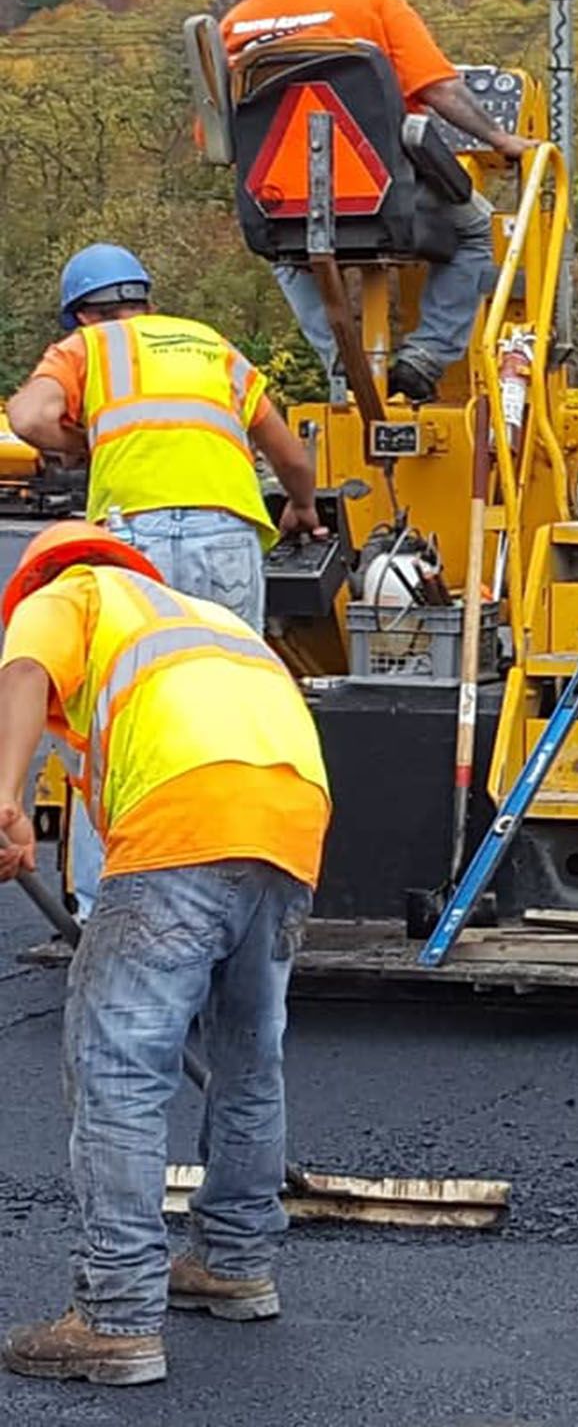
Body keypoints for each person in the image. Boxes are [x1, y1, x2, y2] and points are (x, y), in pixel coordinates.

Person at [0, 522, 331, 1388]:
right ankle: (233, 1261)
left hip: (188, 814)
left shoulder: (67, 592)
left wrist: (2, 800)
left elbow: (26, 675)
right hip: (291, 818)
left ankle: (114, 1316)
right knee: (249, 1058)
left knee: (119, 1069)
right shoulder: (206, 621)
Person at [6, 245, 323, 913]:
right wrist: (300, 506)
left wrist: (84, 443)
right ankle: (237, 896)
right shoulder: (212, 347)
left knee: (114, 721)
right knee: (232, 709)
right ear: (145, 299)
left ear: (82, 313)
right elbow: (290, 453)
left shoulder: (86, 349)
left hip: (131, 543)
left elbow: (29, 419)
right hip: (226, 541)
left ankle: (107, 910)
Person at [219, 0, 544, 403]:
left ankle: (342, 365)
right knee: (477, 233)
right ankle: (425, 357)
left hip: (284, 212)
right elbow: (438, 89)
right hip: (385, 200)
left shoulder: (232, 28)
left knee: (284, 255)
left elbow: (218, 136)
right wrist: (502, 139)